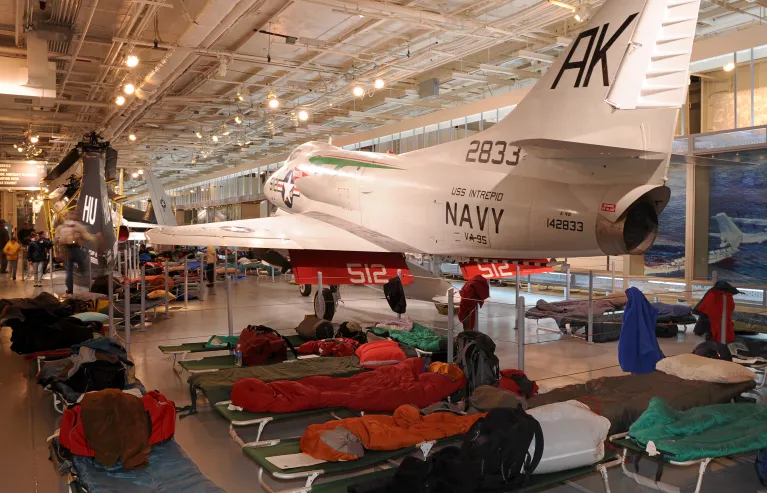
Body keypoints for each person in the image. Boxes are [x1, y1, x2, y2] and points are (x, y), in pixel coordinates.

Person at [54, 211, 94, 295]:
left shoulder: (60, 227)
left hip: (66, 251)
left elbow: (56, 240)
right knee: (84, 267)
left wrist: (58, 252)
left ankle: (69, 290)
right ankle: (88, 286)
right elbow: (87, 237)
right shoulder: (77, 225)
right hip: (76, 249)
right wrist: (94, 239)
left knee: (69, 271)